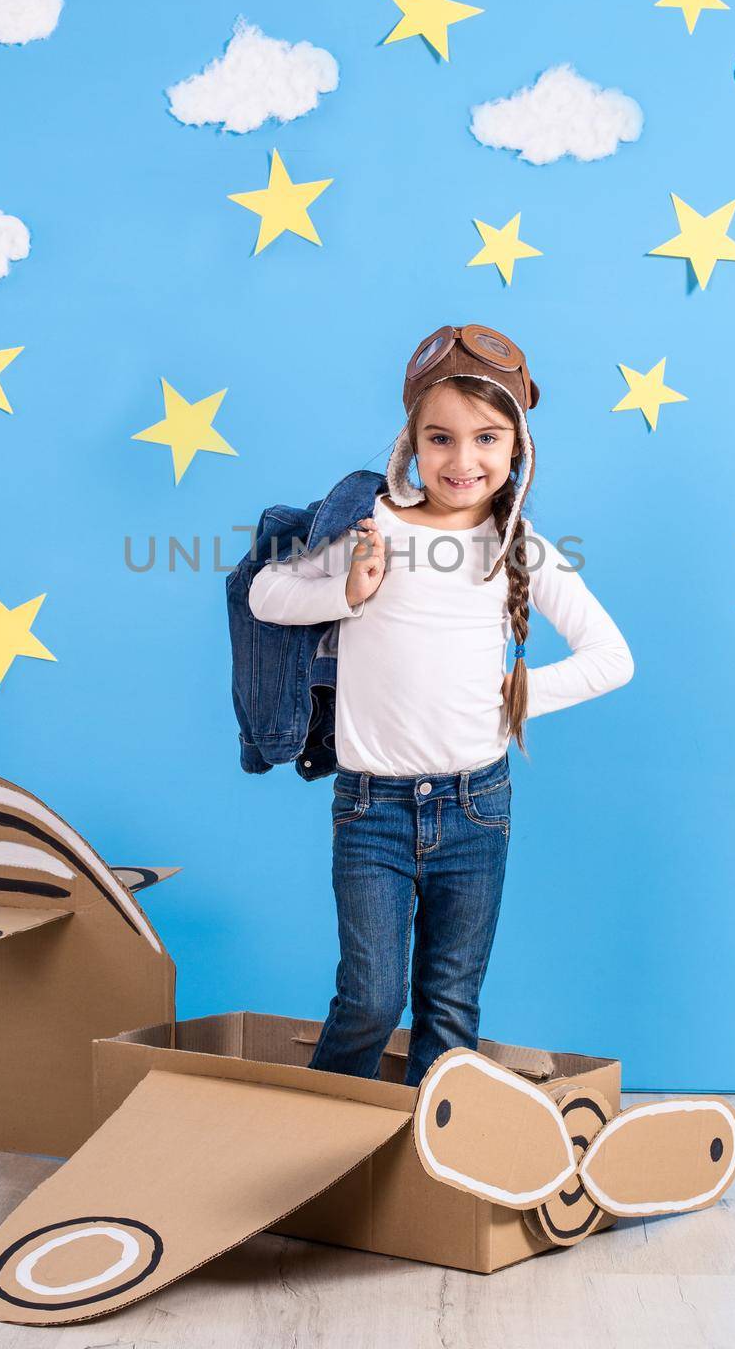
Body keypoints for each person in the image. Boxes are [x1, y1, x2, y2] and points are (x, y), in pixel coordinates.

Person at [247, 323, 634, 1088]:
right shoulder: (372, 525)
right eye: (441, 438)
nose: (463, 461)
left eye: (486, 438)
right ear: (410, 444)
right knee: (368, 998)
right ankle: (310, 1148)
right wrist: (346, 591)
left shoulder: (518, 546)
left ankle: (424, 1179)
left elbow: (610, 659)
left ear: (515, 447)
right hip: (371, 812)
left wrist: (508, 700)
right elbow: (264, 594)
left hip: (475, 809)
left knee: (449, 1010)